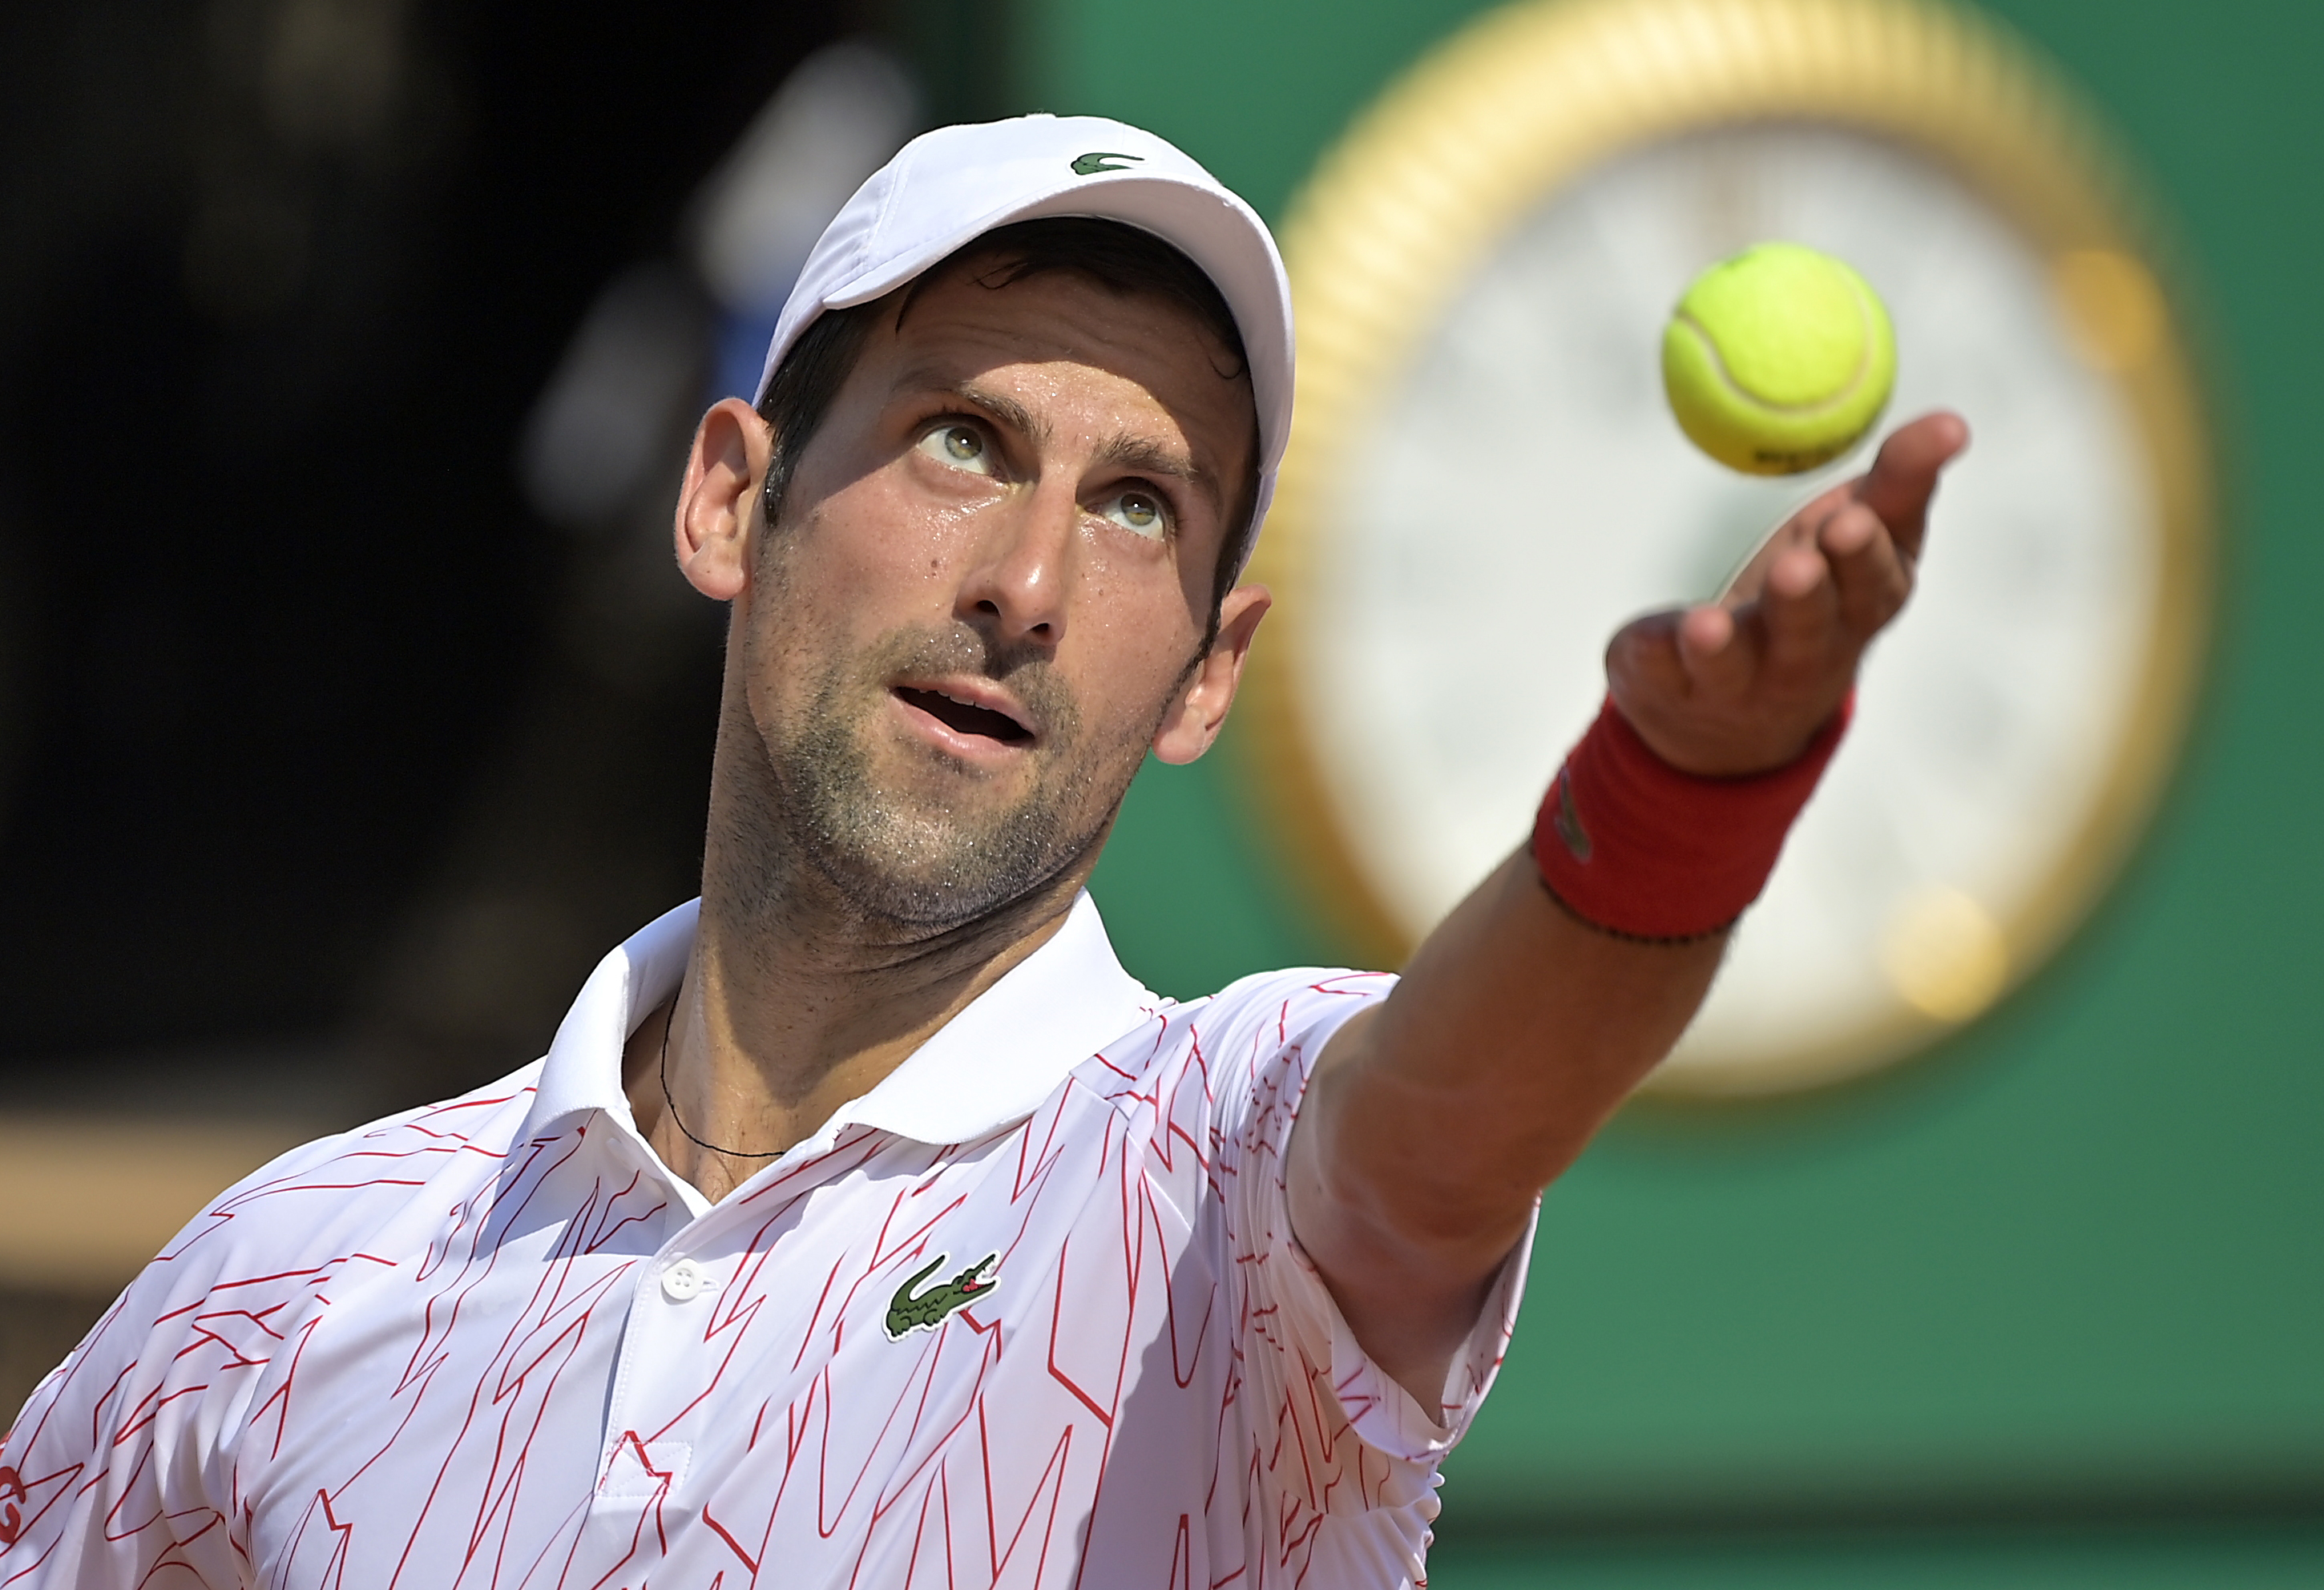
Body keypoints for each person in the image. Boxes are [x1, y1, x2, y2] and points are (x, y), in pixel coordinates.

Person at [0, 114, 1966, 1588]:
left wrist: (1687, 775)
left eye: (1135, 507)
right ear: (726, 502)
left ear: (1207, 672)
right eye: (961, 440)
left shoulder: (1219, 1165)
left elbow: (1457, 1113)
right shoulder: (271, 1287)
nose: (1026, 581)